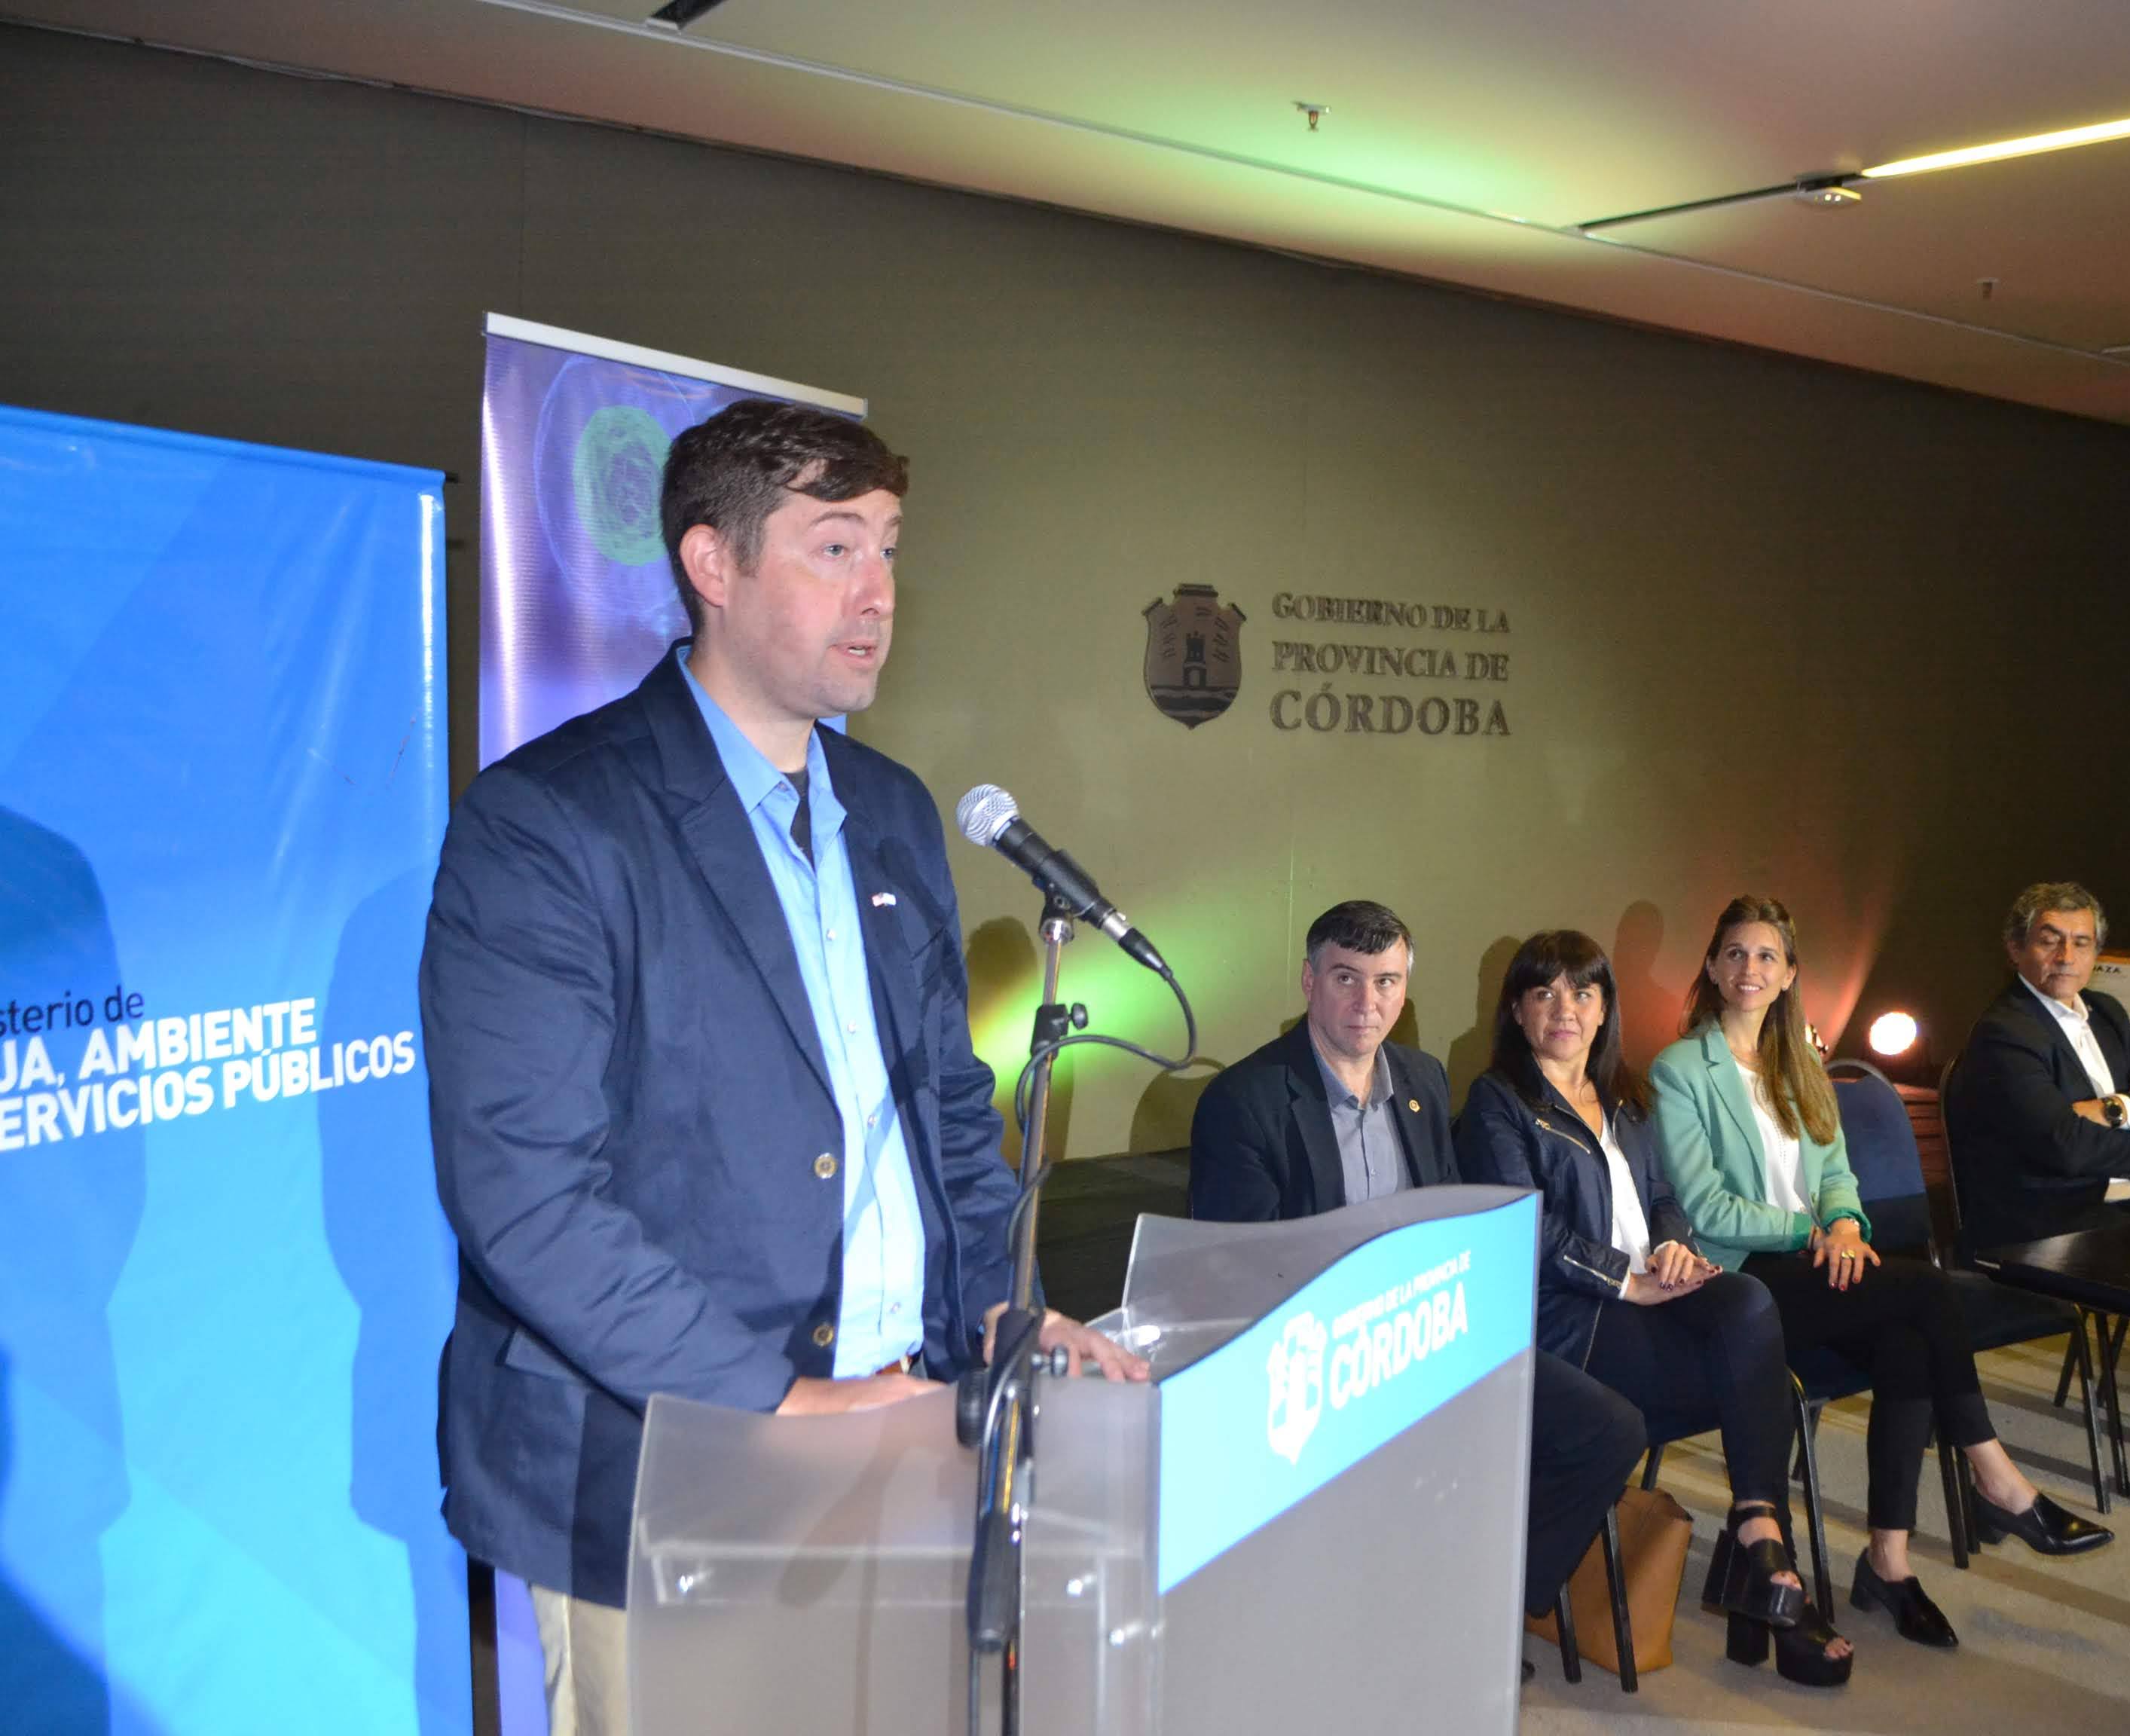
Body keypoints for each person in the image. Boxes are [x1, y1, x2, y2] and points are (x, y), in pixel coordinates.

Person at [423, 400, 1146, 1736]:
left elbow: (944, 1117)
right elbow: (526, 1195)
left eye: (887, 548)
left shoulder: (893, 812)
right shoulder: (548, 825)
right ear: (713, 563)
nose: (877, 593)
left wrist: (1004, 1308)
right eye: (832, 548)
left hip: (902, 1421)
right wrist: (788, 1399)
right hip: (664, 1458)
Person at [1186, 900, 1646, 1665]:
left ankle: (1488, 1607)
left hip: (1422, 1334)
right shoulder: (1247, 1101)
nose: (1368, 1004)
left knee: (1608, 1428)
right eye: (1346, 978)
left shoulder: (1424, 1080)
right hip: (1316, 1354)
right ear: (1309, 981)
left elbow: (1450, 1221)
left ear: (1406, 988)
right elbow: (1242, 1273)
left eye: (1387, 982)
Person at [1654, 896, 2113, 1656]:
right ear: (1711, 966)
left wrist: (1841, 1226)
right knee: (1926, 1291)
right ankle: (1997, 1478)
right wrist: (1812, 1232)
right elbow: (1706, 1209)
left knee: (1909, 1339)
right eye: (1735, 953)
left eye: (1768, 956)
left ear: (1790, 973)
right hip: (1747, 1281)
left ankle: (1888, 1565)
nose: (1750, 969)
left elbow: (1838, 1175)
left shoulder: (1800, 1059)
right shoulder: (1681, 1069)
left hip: (1819, 1258)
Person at [1455, 930, 1850, 1686]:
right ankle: (1767, 1571)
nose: (1564, 1008)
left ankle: (1758, 1536)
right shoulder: (1498, 1103)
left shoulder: (1625, 1095)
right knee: (1763, 1387)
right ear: (1516, 1009)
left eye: (1583, 991)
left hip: (1651, 1296)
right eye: (1544, 992)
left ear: (1605, 1008)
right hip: (1572, 1315)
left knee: (1745, 1302)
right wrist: (1625, 1280)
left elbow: (1665, 1200)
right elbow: (1522, 1227)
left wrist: (1671, 1249)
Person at [1942, 883, 2130, 1530]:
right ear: (2017, 948)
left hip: (2116, 1196)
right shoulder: (2006, 1031)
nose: (2066, 954)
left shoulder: (2107, 1012)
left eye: (2081, 942)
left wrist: (2111, 1110)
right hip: (2040, 1217)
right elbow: (2061, 1147)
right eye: (2050, 938)